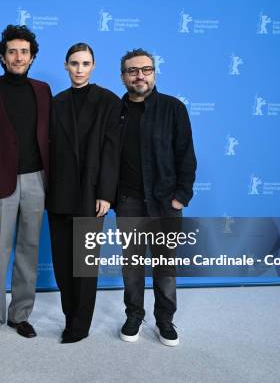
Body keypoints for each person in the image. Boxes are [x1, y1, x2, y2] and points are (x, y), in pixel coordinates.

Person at [115, 48, 196, 347]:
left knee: (165, 265)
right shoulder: (115, 110)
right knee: (132, 264)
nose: (140, 76)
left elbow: (186, 155)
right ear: (123, 76)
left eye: (146, 70)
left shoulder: (174, 108)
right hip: (129, 202)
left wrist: (180, 198)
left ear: (154, 73)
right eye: (133, 71)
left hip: (165, 202)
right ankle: (135, 315)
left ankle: (165, 320)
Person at [0, 25, 51, 339]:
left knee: (29, 247)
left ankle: (21, 314)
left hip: (37, 178)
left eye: (24, 52)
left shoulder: (43, 89)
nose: (18, 57)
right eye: (12, 52)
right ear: (2, 57)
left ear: (32, 57)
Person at [47, 43, 123, 343]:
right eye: (74, 63)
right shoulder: (56, 102)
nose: (79, 69)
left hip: (91, 194)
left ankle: (80, 325)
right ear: (66, 65)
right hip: (59, 194)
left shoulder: (109, 101)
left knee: (85, 264)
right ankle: (69, 316)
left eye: (85, 63)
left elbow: (111, 152)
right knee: (63, 263)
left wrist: (106, 193)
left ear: (93, 67)